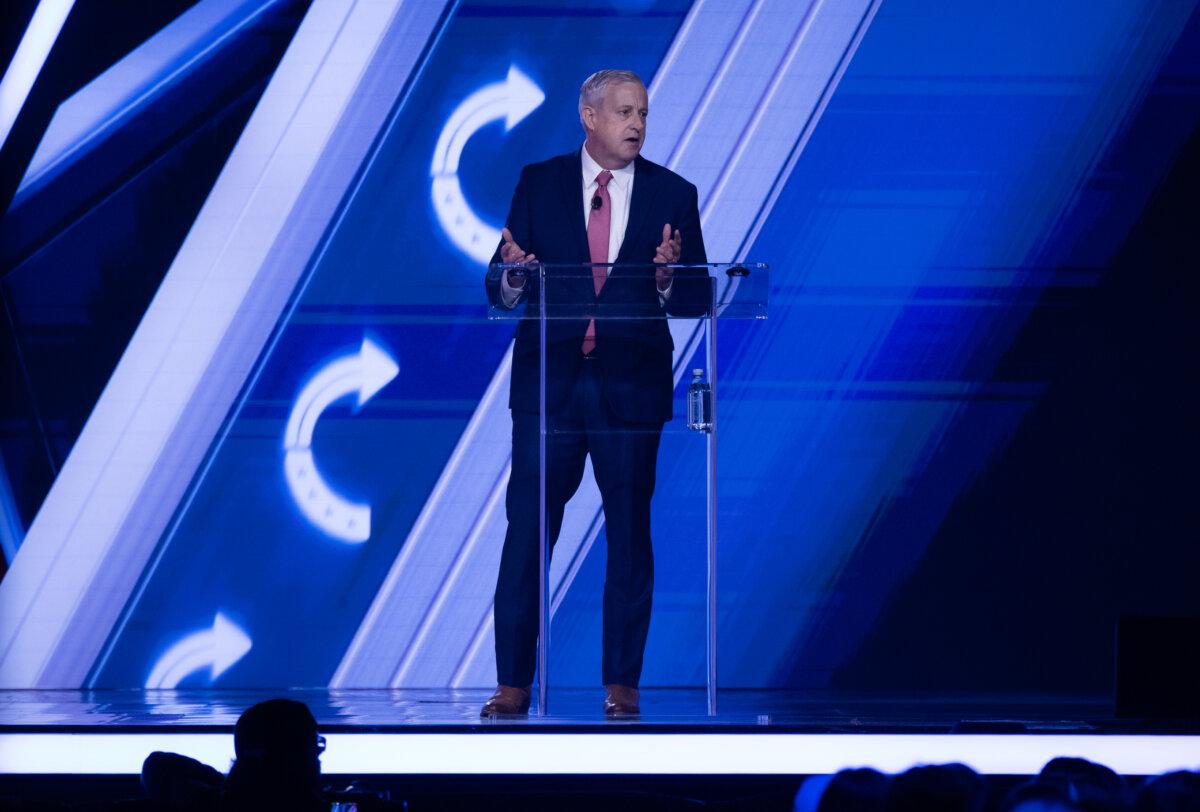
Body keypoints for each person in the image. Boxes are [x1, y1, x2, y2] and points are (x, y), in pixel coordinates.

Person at [482, 68, 708, 718]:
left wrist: (668, 278)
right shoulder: (540, 182)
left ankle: (622, 686)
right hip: (550, 388)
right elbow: (500, 283)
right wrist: (514, 277)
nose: (637, 124)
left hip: (629, 389)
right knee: (528, 533)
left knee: (630, 535)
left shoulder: (673, 193)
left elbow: (695, 294)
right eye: (624, 112)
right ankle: (512, 686)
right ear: (589, 117)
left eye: (643, 113)